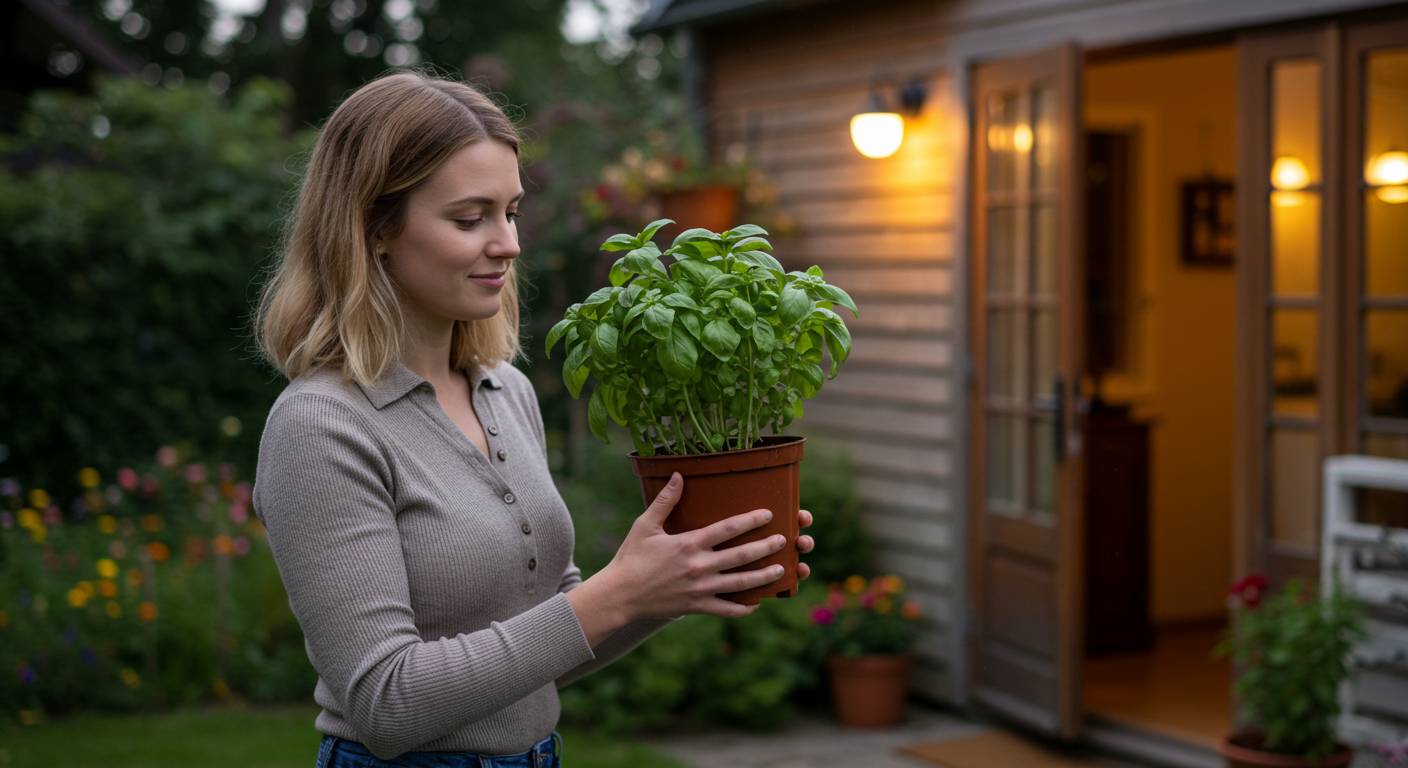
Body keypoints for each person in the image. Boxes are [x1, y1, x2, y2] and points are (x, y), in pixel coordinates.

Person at [251, 70, 817, 768]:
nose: (508, 243)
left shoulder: (504, 391)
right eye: (470, 218)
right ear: (374, 231)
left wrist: (673, 583)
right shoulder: (322, 426)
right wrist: (617, 594)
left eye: (511, 211)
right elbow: (386, 703)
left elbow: (541, 650)